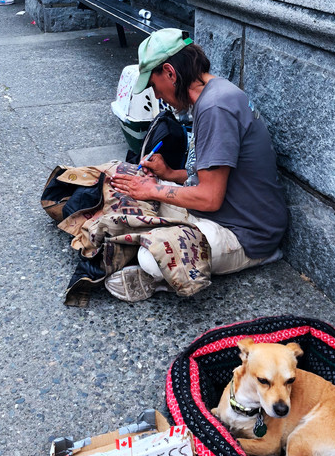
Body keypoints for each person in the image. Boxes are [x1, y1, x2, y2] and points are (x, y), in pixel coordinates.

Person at [107, 28, 287, 301]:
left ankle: (164, 277)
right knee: (119, 179)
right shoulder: (213, 95)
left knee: (150, 257)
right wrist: (168, 174)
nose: (157, 96)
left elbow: (210, 197)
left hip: (246, 234)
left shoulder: (215, 107)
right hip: (219, 212)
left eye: (154, 86)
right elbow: (211, 177)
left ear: (170, 72)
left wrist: (152, 191)